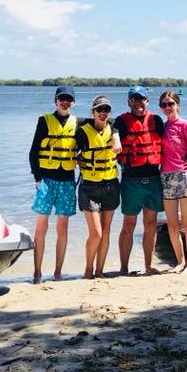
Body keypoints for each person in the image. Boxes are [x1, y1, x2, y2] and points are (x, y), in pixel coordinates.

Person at [112, 85, 164, 275]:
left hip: (153, 179)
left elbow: (169, 145)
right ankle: (124, 268)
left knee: (151, 223)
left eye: (141, 99)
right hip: (131, 179)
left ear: (147, 101)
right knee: (129, 224)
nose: (138, 103)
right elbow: (112, 129)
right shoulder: (121, 121)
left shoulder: (157, 121)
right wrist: (115, 137)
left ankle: (148, 266)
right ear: (128, 102)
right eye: (134, 99)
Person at [28, 85, 77, 283]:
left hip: (66, 180)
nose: (64, 102)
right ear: (55, 101)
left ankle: (58, 273)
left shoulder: (78, 123)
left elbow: (106, 123)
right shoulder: (44, 121)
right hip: (46, 180)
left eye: (68, 99)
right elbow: (33, 152)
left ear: (72, 102)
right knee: (41, 226)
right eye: (61, 99)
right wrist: (37, 178)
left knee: (63, 228)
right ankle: (37, 273)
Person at [74, 94, 119, 279]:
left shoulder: (114, 127)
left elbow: (117, 123)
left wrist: (116, 135)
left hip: (110, 184)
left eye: (106, 110)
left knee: (106, 231)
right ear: (92, 111)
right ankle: (88, 270)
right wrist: (76, 158)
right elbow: (70, 148)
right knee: (97, 233)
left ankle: (99, 271)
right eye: (99, 109)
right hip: (89, 187)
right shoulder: (81, 129)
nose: (103, 113)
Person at [158, 90, 187, 274]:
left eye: (170, 104)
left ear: (178, 105)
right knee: (172, 225)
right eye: (164, 105)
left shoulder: (186, 126)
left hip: (184, 176)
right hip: (166, 177)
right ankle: (180, 262)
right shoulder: (162, 127)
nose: (167, 108)